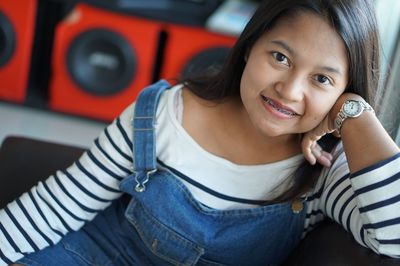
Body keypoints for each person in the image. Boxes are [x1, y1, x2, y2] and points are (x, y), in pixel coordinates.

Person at [2, 0, 400, 265]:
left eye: (322, 80)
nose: (290, 90)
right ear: (249, 47)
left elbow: (394, 237)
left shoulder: (326, 168)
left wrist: (355, 113)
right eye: (279, 57)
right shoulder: (160, 113)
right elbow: (55, 209)